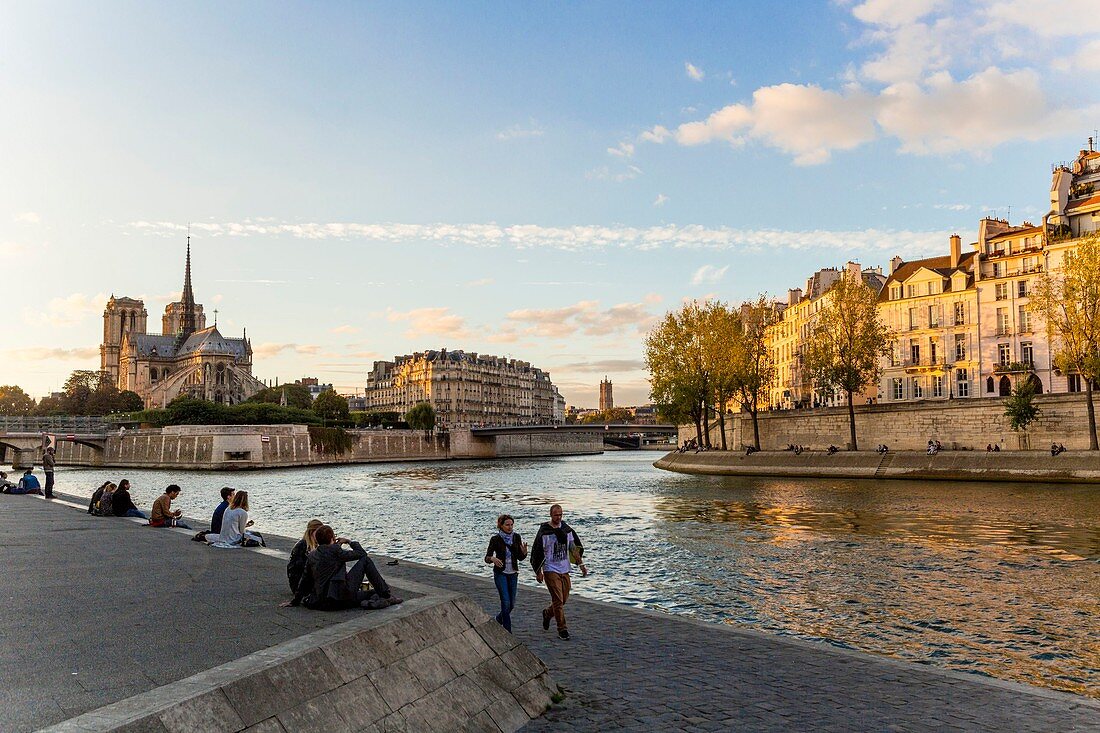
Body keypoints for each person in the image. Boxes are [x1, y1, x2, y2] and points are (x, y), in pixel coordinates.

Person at [282, 525, 401, 611]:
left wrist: (295, 601)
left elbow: (305, 580)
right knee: (366, 562)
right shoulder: (337, 552)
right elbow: (361, 554)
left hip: (320, 601)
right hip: (341, 600)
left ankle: (377, 598)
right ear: (331, 539)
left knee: (371, 593)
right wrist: (348, 541)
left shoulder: (312, 555)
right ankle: (385, 595)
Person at [531, 504, 587, 640]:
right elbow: (538, 551)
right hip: (550, 569)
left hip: (564, 568)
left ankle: (547, 613)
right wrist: (539, 571)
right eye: (556, 515)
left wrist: (581, 564)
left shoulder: (566, 530)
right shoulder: (545, 532)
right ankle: (562, 629)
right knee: (557, 599)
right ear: (551, 515)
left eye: (561, 514)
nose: (559, 517)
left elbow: (573, 547)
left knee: (563, 599)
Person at [484, 514, 528, 632]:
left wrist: (524, 553)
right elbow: (487, 557)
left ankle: (498, 620)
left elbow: (520, 557)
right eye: (507, 525)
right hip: (500, 573)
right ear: (501, 525)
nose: (510, 527)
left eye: (511, 525)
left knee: (512, 604)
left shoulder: (516, 537)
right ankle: (507, 631)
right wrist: (493, 559)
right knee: (505, 602)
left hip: (513, 573)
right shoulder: (495, 539)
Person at [288, 519, 325, 594]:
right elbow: (300, 568)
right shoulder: (302, 546)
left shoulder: (316, 545)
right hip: (300, 582)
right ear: (312, 532)